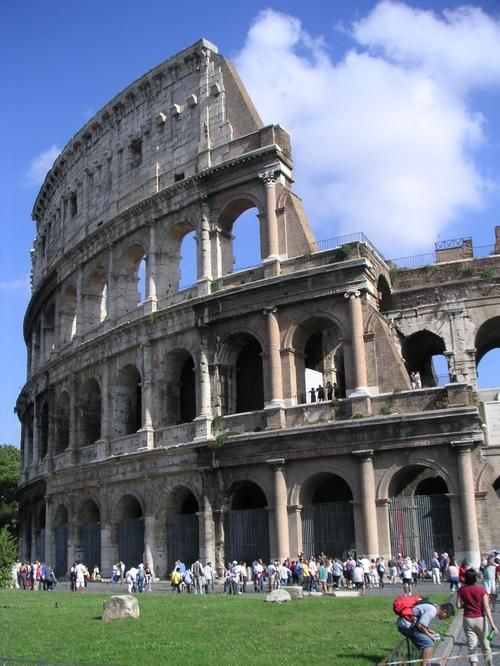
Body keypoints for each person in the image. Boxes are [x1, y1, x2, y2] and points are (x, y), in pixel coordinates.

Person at [456, 568, 497, 666]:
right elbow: (486, 608)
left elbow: (458, 605)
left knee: (472, 647)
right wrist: (493, 625)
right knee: (486, 645)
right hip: (480, 619)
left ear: (465, 578)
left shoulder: (461, 590)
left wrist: (466, 605)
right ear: (475, 578)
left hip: (468, 619)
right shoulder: (481, 590)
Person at [396, 600, 454, 665]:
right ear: (445, 611)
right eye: (447, 616)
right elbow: (420, 626)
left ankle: (427, 664)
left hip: (409, 624)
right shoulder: (432, 611)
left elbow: (421, 623)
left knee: (429, 641)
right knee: (428, 643)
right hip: (405, 626)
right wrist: (430, 635)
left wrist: (428, 630)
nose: (445, 618)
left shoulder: (433, 607)